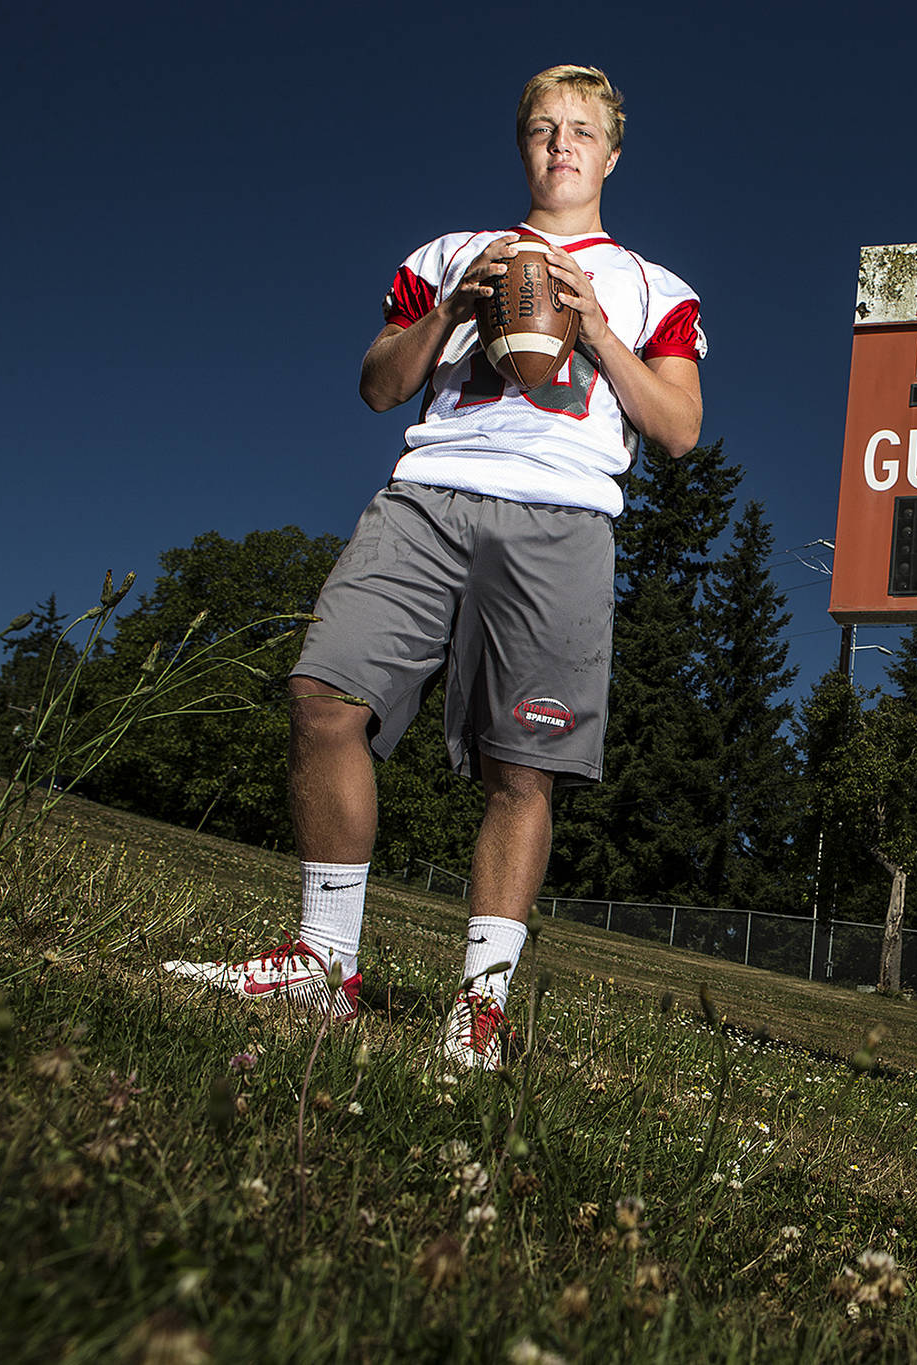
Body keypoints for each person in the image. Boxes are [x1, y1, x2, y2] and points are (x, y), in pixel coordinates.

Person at [163, 65, 704, 1070]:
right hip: (431, 490)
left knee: (523, 764)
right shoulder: (450, 254)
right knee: (325, 695)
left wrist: (591, 327)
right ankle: (324, 964)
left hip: (563, 513)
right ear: (523, 144)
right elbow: (378, 386)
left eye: (581, 131)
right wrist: (453, 310)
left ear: (611, 153)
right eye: (543, 129)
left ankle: (480, 1010)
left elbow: (677, 427)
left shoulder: (652, 286)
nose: (561, 146)